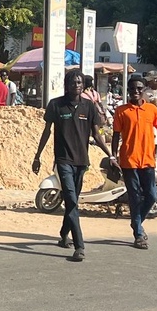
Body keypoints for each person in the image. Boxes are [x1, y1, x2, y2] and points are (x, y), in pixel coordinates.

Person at [32, 70, 114, 262]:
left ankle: (63, 234)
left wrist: (111, 155)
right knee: (71, 199)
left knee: (73, 200)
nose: (76, 85)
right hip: (63, 160)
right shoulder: (56, 105)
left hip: (82, 161)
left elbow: (97, 135)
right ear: (66, 85)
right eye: (73, 82)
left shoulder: (89, 107)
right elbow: (46, 132)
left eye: (79, 82)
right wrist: (37, 156)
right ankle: (79, 246)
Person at [111, 76, 157, 250]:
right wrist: (113, 156)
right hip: (129, 161)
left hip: (148, 161)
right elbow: (115, 136)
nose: (135, 92)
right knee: (135, 197)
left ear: (143, 90)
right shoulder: (121, 111)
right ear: (127, 91)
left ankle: (136, 222)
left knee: (152, 195)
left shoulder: (151, 110)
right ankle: (138, 233)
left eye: (138, 89)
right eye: (132, 89)